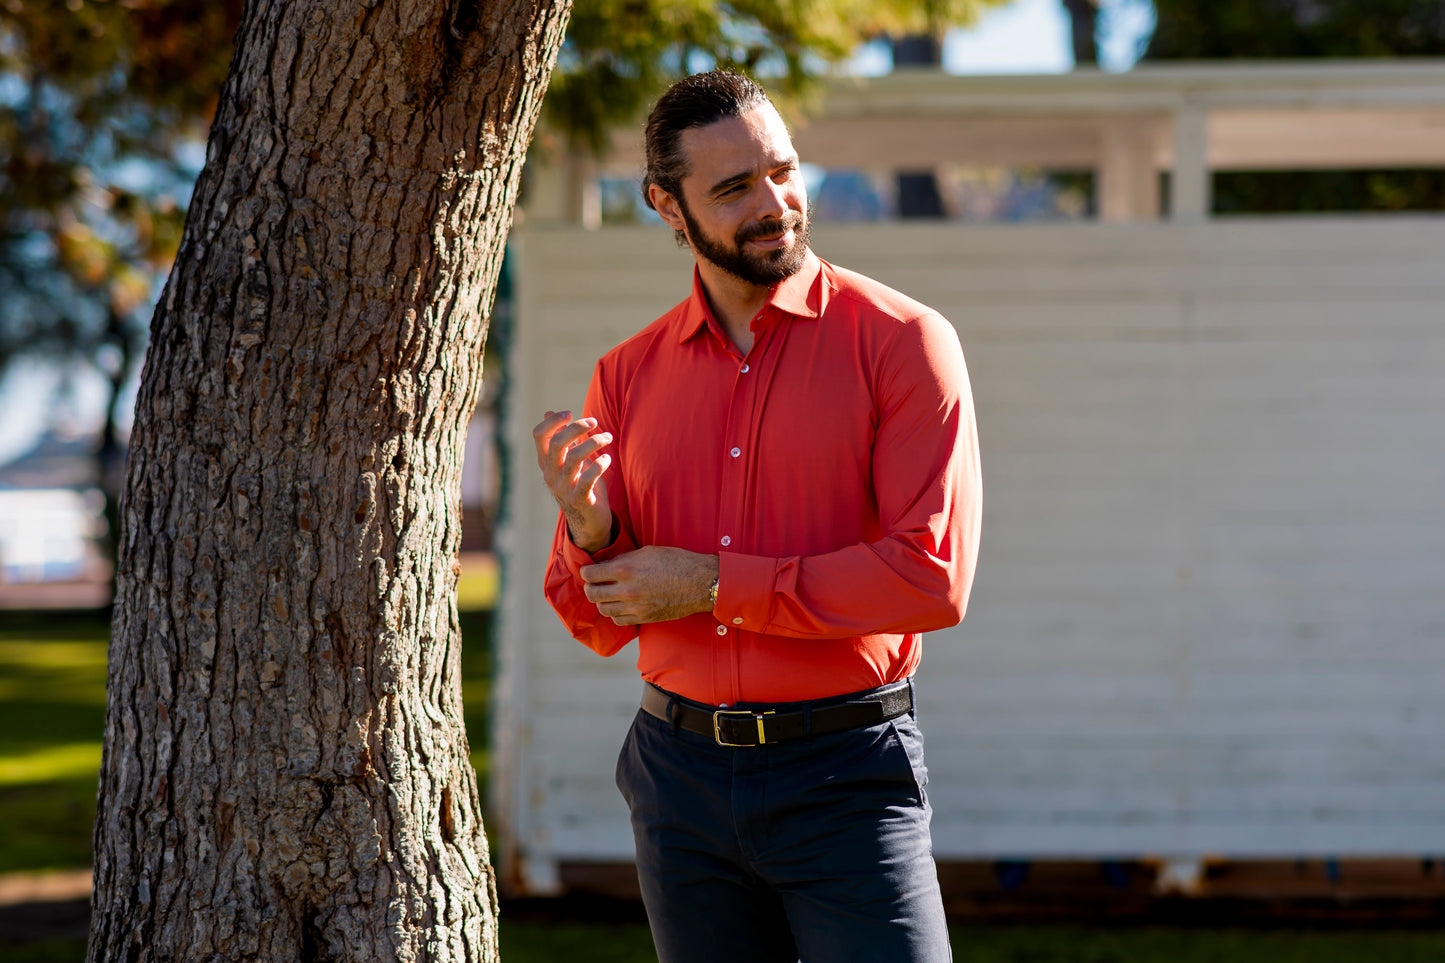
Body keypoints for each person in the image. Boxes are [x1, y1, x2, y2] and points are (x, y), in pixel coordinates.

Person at [533, 70, 982, 963]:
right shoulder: (626, 375)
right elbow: (591, 616)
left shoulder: (901, 342)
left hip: (847, 774)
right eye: (733, 188)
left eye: (781, 170)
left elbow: (928, 578)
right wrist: (591, 531)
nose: (773, 203)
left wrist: (706, 583)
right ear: (667, 205)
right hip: (677, 781)